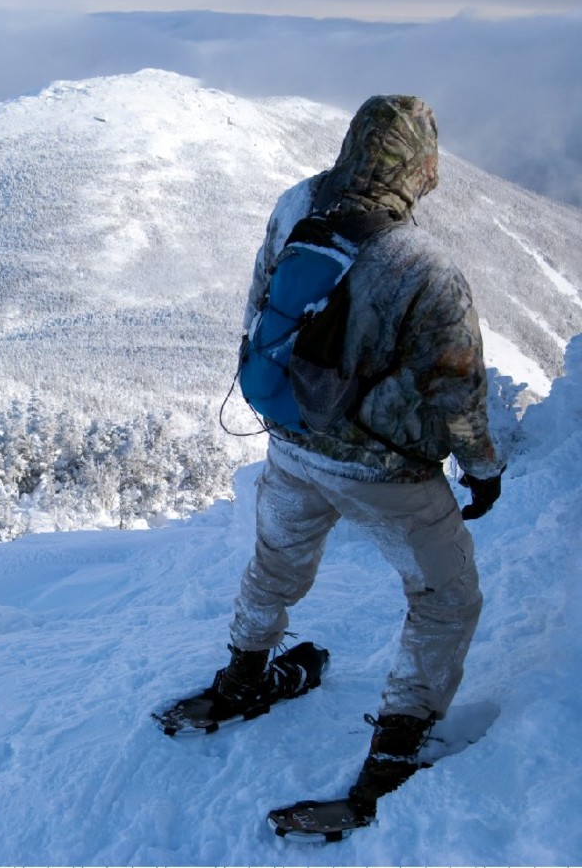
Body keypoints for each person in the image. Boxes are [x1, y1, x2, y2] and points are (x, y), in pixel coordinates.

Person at [215, 95, 504, 816]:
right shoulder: (423, 265)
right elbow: (458, 388)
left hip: (290, 441)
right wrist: (483, 471)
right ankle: (400, 743)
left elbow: (257, 308)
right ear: (421, 167)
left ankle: (243, 672)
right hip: (382, 472)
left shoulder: (298, 206)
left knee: (277, 562)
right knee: (445, 600)